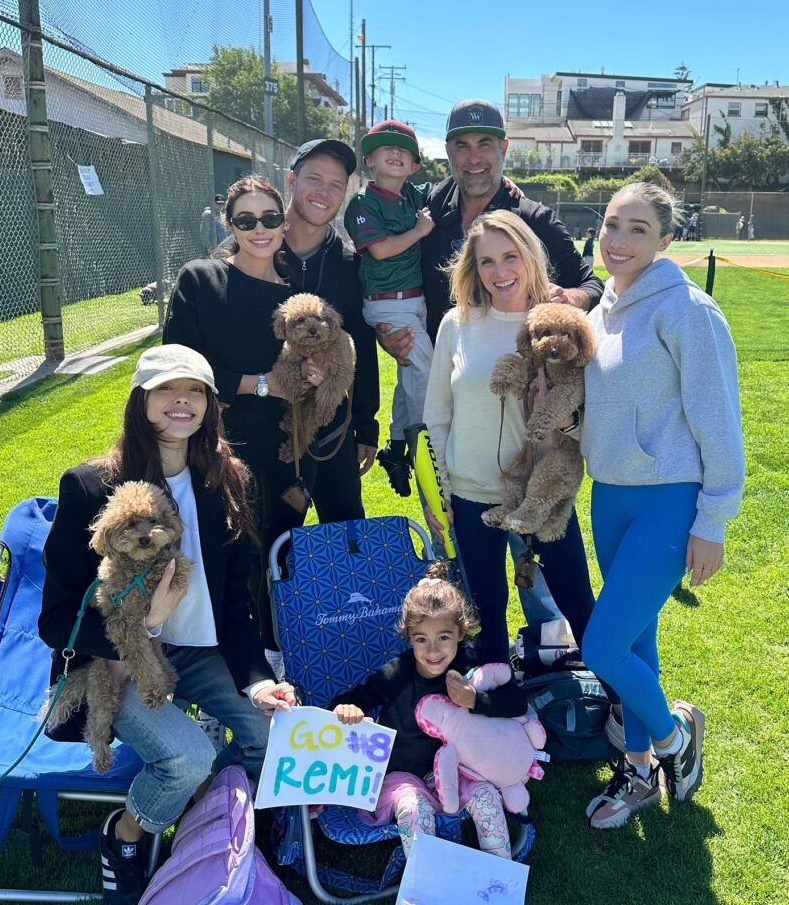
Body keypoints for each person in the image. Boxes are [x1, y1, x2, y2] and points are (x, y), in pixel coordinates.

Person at [38, 344, 296, 904]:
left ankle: (209, 824)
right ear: (141, 400)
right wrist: (143, 626)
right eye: (166, 389)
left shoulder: (228, 480)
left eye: (196, 390)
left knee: (268, 740)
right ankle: (126, 834)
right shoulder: (89, 487)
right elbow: (56, 618)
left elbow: (235, 598)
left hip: (201, 652)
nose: (182, 400)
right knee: (188, 757)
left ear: (210, 403)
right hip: (118, 661)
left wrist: (255, 680)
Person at [378, 99, 604, 656]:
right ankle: (495, 670)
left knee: (557, 586)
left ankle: (554, 648)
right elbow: (379, 263)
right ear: (448, 151)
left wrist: (561, 304)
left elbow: (591, 287)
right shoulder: (429, 210)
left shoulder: (536, 219)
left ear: (504, 149)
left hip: (534, 463)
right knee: (475, 582)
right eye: (460, 145)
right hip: (449, 378)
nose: (473, 157)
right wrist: (385, 324)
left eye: (485, 144)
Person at [580, 182, 745, 829]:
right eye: (611, 225)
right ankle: (640, 771)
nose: (616, 241)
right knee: (635, 644)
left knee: (601, 646)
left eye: (637, 229)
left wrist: (711, 521)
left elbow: (719, 422)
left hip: (667, 502)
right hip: (608, 498)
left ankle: (674, 737)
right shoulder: (600, 312)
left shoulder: (686, 310)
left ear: (665, 240)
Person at [423, 210, 601, 670]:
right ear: (473, 269)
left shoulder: (559, 323)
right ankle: (500, 708)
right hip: (472, 496)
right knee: (485, 612)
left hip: (542, 496)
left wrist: (561, 421)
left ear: (530, 257)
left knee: (578, 603)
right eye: (486, 262)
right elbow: (438, 415)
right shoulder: (456, 324)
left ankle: (622, 711)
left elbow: (590, 410)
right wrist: (442, 489)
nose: (500, 272)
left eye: (510, 257)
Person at [163, 176, 317, 661]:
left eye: (270, 218)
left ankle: (271, 664)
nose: (259, 229)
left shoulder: (295, 297)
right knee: (220, 558)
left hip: (282, 448)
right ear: (229, 223)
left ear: (284, 221)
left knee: (276, 557)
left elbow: (309, 363)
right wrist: (258, 383)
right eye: (245, 220)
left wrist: (311, 374)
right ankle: (218, 670)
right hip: (215, 445)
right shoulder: (200, 279)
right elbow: (178, 363)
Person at [329, 561, 527, 858]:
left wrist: (476, 700)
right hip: (403, 776)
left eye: (443, 638)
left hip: (461, 770)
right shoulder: (397, 673)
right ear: (409, 638)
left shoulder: (469, 666)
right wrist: (347, 710)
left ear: (460, 633)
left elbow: (517, 702)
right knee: (414, 809)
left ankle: (499, 882)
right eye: (421, 640)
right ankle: (425, 886)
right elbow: (352, 700)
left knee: (486, 795)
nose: (433, 651)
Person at [281, 138, 381, 521]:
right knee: (268, 552)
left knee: (346, 540)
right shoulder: (256, 253)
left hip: (332, 426)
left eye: (336, 185)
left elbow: (363, 347)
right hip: (269, 430)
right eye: (314, 178)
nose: (324, 193)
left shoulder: (349, 264)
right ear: (292, 179)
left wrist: (366, 426)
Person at [344, 121, 434, 497]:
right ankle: (429, 453)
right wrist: (418, 232)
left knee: (410, 378)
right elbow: (379, 250)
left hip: (415, 300)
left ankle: (397, 447)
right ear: (370, 161)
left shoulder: (412, 195)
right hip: (388, 306)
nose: (395, 154)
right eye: (385, 149)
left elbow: (451, 189)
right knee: (428, 382)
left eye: (404, 151)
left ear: (414, 165)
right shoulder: (364, 202)